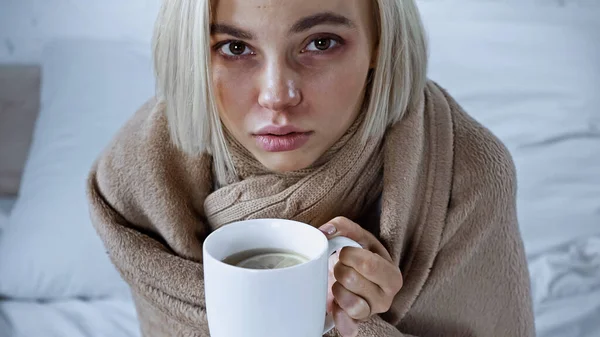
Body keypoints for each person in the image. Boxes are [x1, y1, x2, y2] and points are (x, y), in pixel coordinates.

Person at [86, 0, 536, 336]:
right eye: (235, 47)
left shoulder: (463, 173)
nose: (277, 95)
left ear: (380, 41)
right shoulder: (144, 171)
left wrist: (357, 324)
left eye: (321, 43)